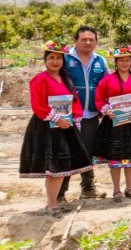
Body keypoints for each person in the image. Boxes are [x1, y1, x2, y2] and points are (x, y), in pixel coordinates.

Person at [19, 41, 94, 218]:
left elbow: (74, 101)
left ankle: (56, 201)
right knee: (54, 167)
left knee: (62, 165)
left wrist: (76, 119)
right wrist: (57, 119)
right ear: (45, 60)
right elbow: (38, 105)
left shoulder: (66, 79)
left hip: (66, 126)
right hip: (47, 127)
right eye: (51, 58)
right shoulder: (39, 80)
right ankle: (52, 204)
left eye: (59, 58)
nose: (55, 61)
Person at [91, 46, 131, 202]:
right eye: (121, 61)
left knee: (130, 156)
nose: (124, 63)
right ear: (116, 63)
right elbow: (99, 99)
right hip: (114, 123)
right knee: (116, 156)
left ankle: (129, 188)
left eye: (127, 60)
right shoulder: (107, 80)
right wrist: (107, 111)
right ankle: (117, 189)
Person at [61, 26, 109, 200]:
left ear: (96, 42)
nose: (88, 42)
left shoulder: (100, 61)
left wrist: (105, 106)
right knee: (67, 152)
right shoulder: (65, 59)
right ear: (75, 41)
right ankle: (60, 193)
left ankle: (87, 187)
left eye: (91, 39)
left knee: (88, 151)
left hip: (91, 115)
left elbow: (106, 86)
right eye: (84, 39)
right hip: (69, 115)